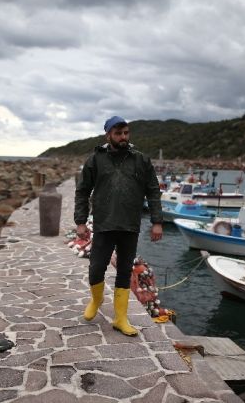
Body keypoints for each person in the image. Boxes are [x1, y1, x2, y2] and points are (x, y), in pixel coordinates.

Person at [74, 115, 163, 336]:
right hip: (104, 224)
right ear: (108, 135)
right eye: (118, 133)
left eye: (126, 133)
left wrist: (157, 221)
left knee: (124, 271)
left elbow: (153, 191)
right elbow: (82, 191)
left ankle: (120, 318)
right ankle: (96, 300)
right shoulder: (95, 160)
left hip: (129, 225)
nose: (123, 137)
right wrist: (81, 222)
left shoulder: (141, 160)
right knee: (96, 268)